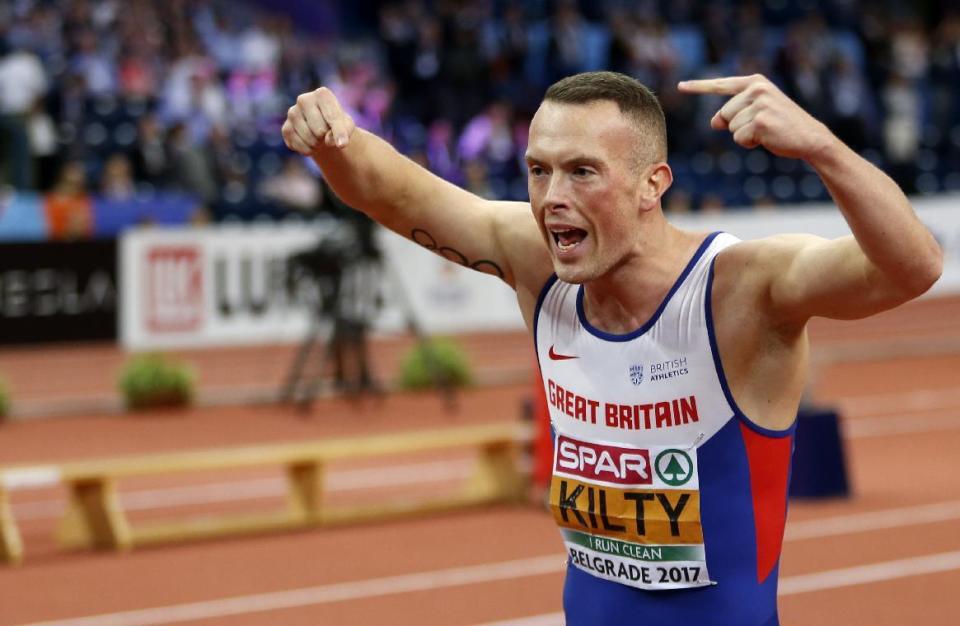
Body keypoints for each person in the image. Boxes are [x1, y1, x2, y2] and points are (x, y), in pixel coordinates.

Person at [281, 71, 942, 625]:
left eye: (582, 172)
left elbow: (912, 268)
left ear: (652, 183)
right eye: (538, 171)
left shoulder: (742, 290)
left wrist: (824, 148)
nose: (553, 199)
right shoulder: (536, 262)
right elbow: (394, 190)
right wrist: (334, 140)